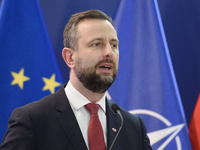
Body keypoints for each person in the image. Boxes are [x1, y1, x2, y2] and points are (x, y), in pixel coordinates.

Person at [0, 10, 152, 150]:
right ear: (70, 57)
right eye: (97, 44)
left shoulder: (133, 127)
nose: (109, 53)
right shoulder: (33, 120)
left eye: (114, 45)